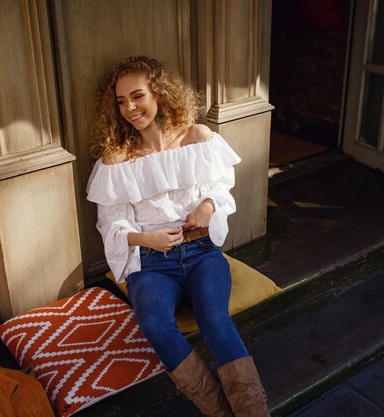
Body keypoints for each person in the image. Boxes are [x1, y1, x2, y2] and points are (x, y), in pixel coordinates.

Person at [86, 56, 270, 417]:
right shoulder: (117, 161)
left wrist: (208, 204)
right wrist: (147, 238)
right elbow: (112, 225)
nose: (129, 108)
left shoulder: (196, 137)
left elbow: (221, 187)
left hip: (202, 253)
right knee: (154, 324)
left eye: (137, 96)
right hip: (152, 265)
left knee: (215, 320)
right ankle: (220, 412)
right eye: (121, 101)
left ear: (159, 92)